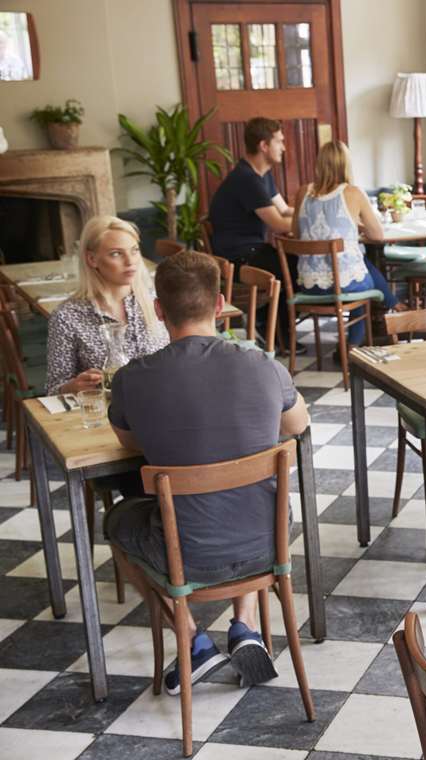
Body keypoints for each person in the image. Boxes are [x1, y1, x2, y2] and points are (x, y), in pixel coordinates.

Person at [105, 250, 311, 694]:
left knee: (117, 520)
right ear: (219, 304)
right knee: (249, 498)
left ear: (159, 310)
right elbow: (298, 425)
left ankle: (193, 641)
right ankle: (245, 625)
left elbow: (128, 442)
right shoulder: (263, 365)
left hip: (187, 554)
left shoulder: (131, 379)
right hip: (268, 541)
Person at [46, 215, 169, 395]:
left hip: (162, 401)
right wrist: (73, 387)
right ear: (92, 259)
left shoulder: (157, 301)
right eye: (116, 254)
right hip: (107, 409)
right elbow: (53, 389)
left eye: (134, 250)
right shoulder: (66, 316)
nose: (130, 261)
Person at [290, 140, 396, 348]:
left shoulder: (303, 192)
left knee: (360, 265)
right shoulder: (353, 193)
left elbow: (296, 233)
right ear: (346, 164)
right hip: (343, 285)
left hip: (308, 285)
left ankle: (393, 303)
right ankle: (351, 347)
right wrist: (358, 226)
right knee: (360, 275)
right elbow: (377, 235)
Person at [208, 117, 295, 335]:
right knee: (293, 269)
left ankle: (271, 327)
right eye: (279, 141)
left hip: (250, 250)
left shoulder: (262, 176)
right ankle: (277, 333)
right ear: (264, 145)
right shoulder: (247, 179)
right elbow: (279, 224)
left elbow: (284, 210)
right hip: (238, 258)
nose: (284, 147)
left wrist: (315, 212)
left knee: (292, 264)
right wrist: (312, 222)